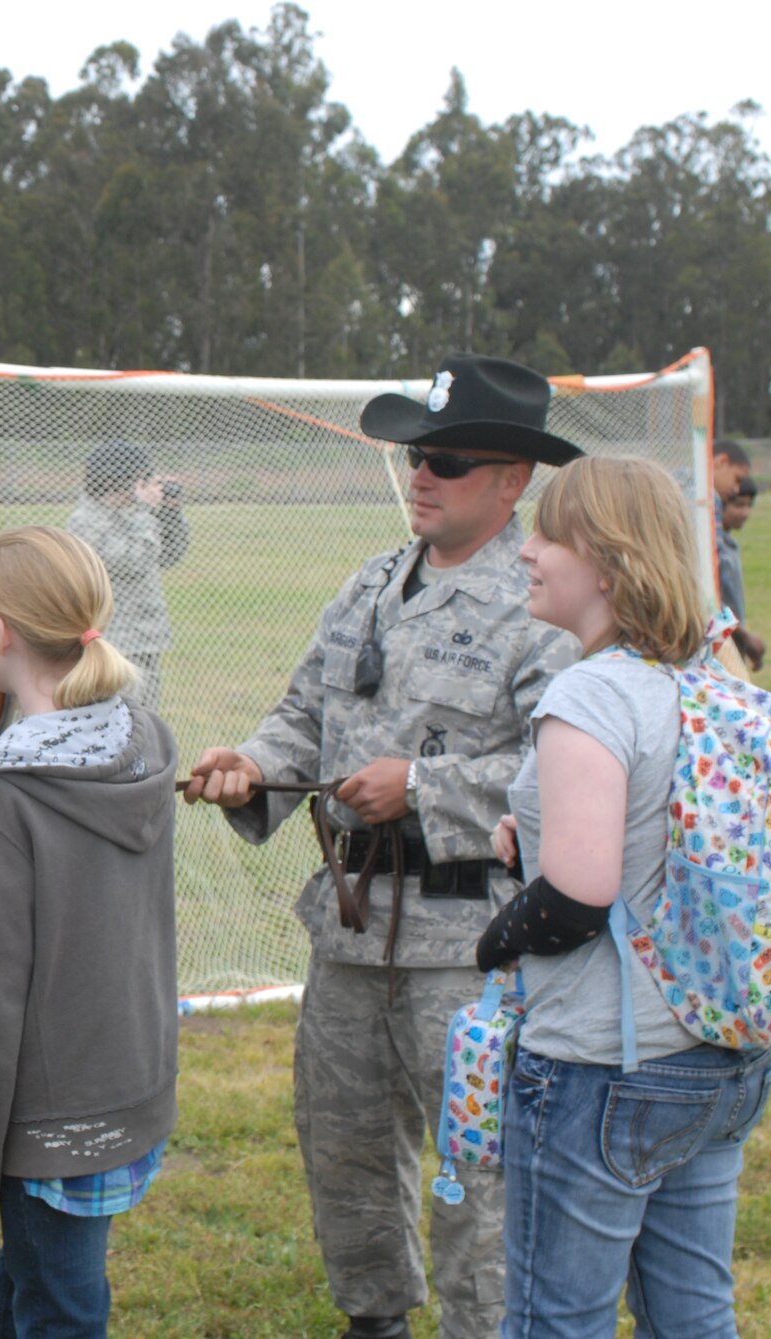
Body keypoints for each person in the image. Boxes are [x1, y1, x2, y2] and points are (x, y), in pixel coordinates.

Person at [183, 354, 584, 1339]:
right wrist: (249, 766)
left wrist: (427, 785)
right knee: (345, 1146)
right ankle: (374, 1321)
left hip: (469, 943)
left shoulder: (538, 607)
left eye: (445, 459)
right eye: (415, 456)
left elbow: (568, 770)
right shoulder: (367, 585)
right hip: (350, 933)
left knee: (473, 1166)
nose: (419, 475)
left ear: (509, 481)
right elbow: (301, 717)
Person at [476, 455, 771, 1337]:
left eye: (546, 534)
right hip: (718, 1055)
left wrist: (493, 941)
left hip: (604, 1068)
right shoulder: (711, 679)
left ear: (603, 562)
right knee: (693, 1315)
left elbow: (576, 895)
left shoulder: (591, 691)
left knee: (554, 1320)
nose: (525, 550)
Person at [0, 525, 179, 1339]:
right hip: (127, 1091)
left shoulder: (2, 799)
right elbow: (58, 805)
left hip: (43, 1133)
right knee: (43, 1295)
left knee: (56, 1308)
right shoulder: (145, 741)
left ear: (0, 633)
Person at [65, 441, 190, 711]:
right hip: (113, 641)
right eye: (141, 479)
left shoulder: (131, 515)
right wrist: (146, 512)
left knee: (146, 720)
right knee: (121, 722)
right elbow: (133, 561)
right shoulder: (85, 522)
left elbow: (170, 554)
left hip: (145, 638)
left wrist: (169, 512)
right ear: (119, 482)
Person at [710, 440, 764, 670]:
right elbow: (706, 595)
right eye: (737, 479)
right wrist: (742, 635)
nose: (735, 488)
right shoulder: (707, 502)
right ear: (721, 462)